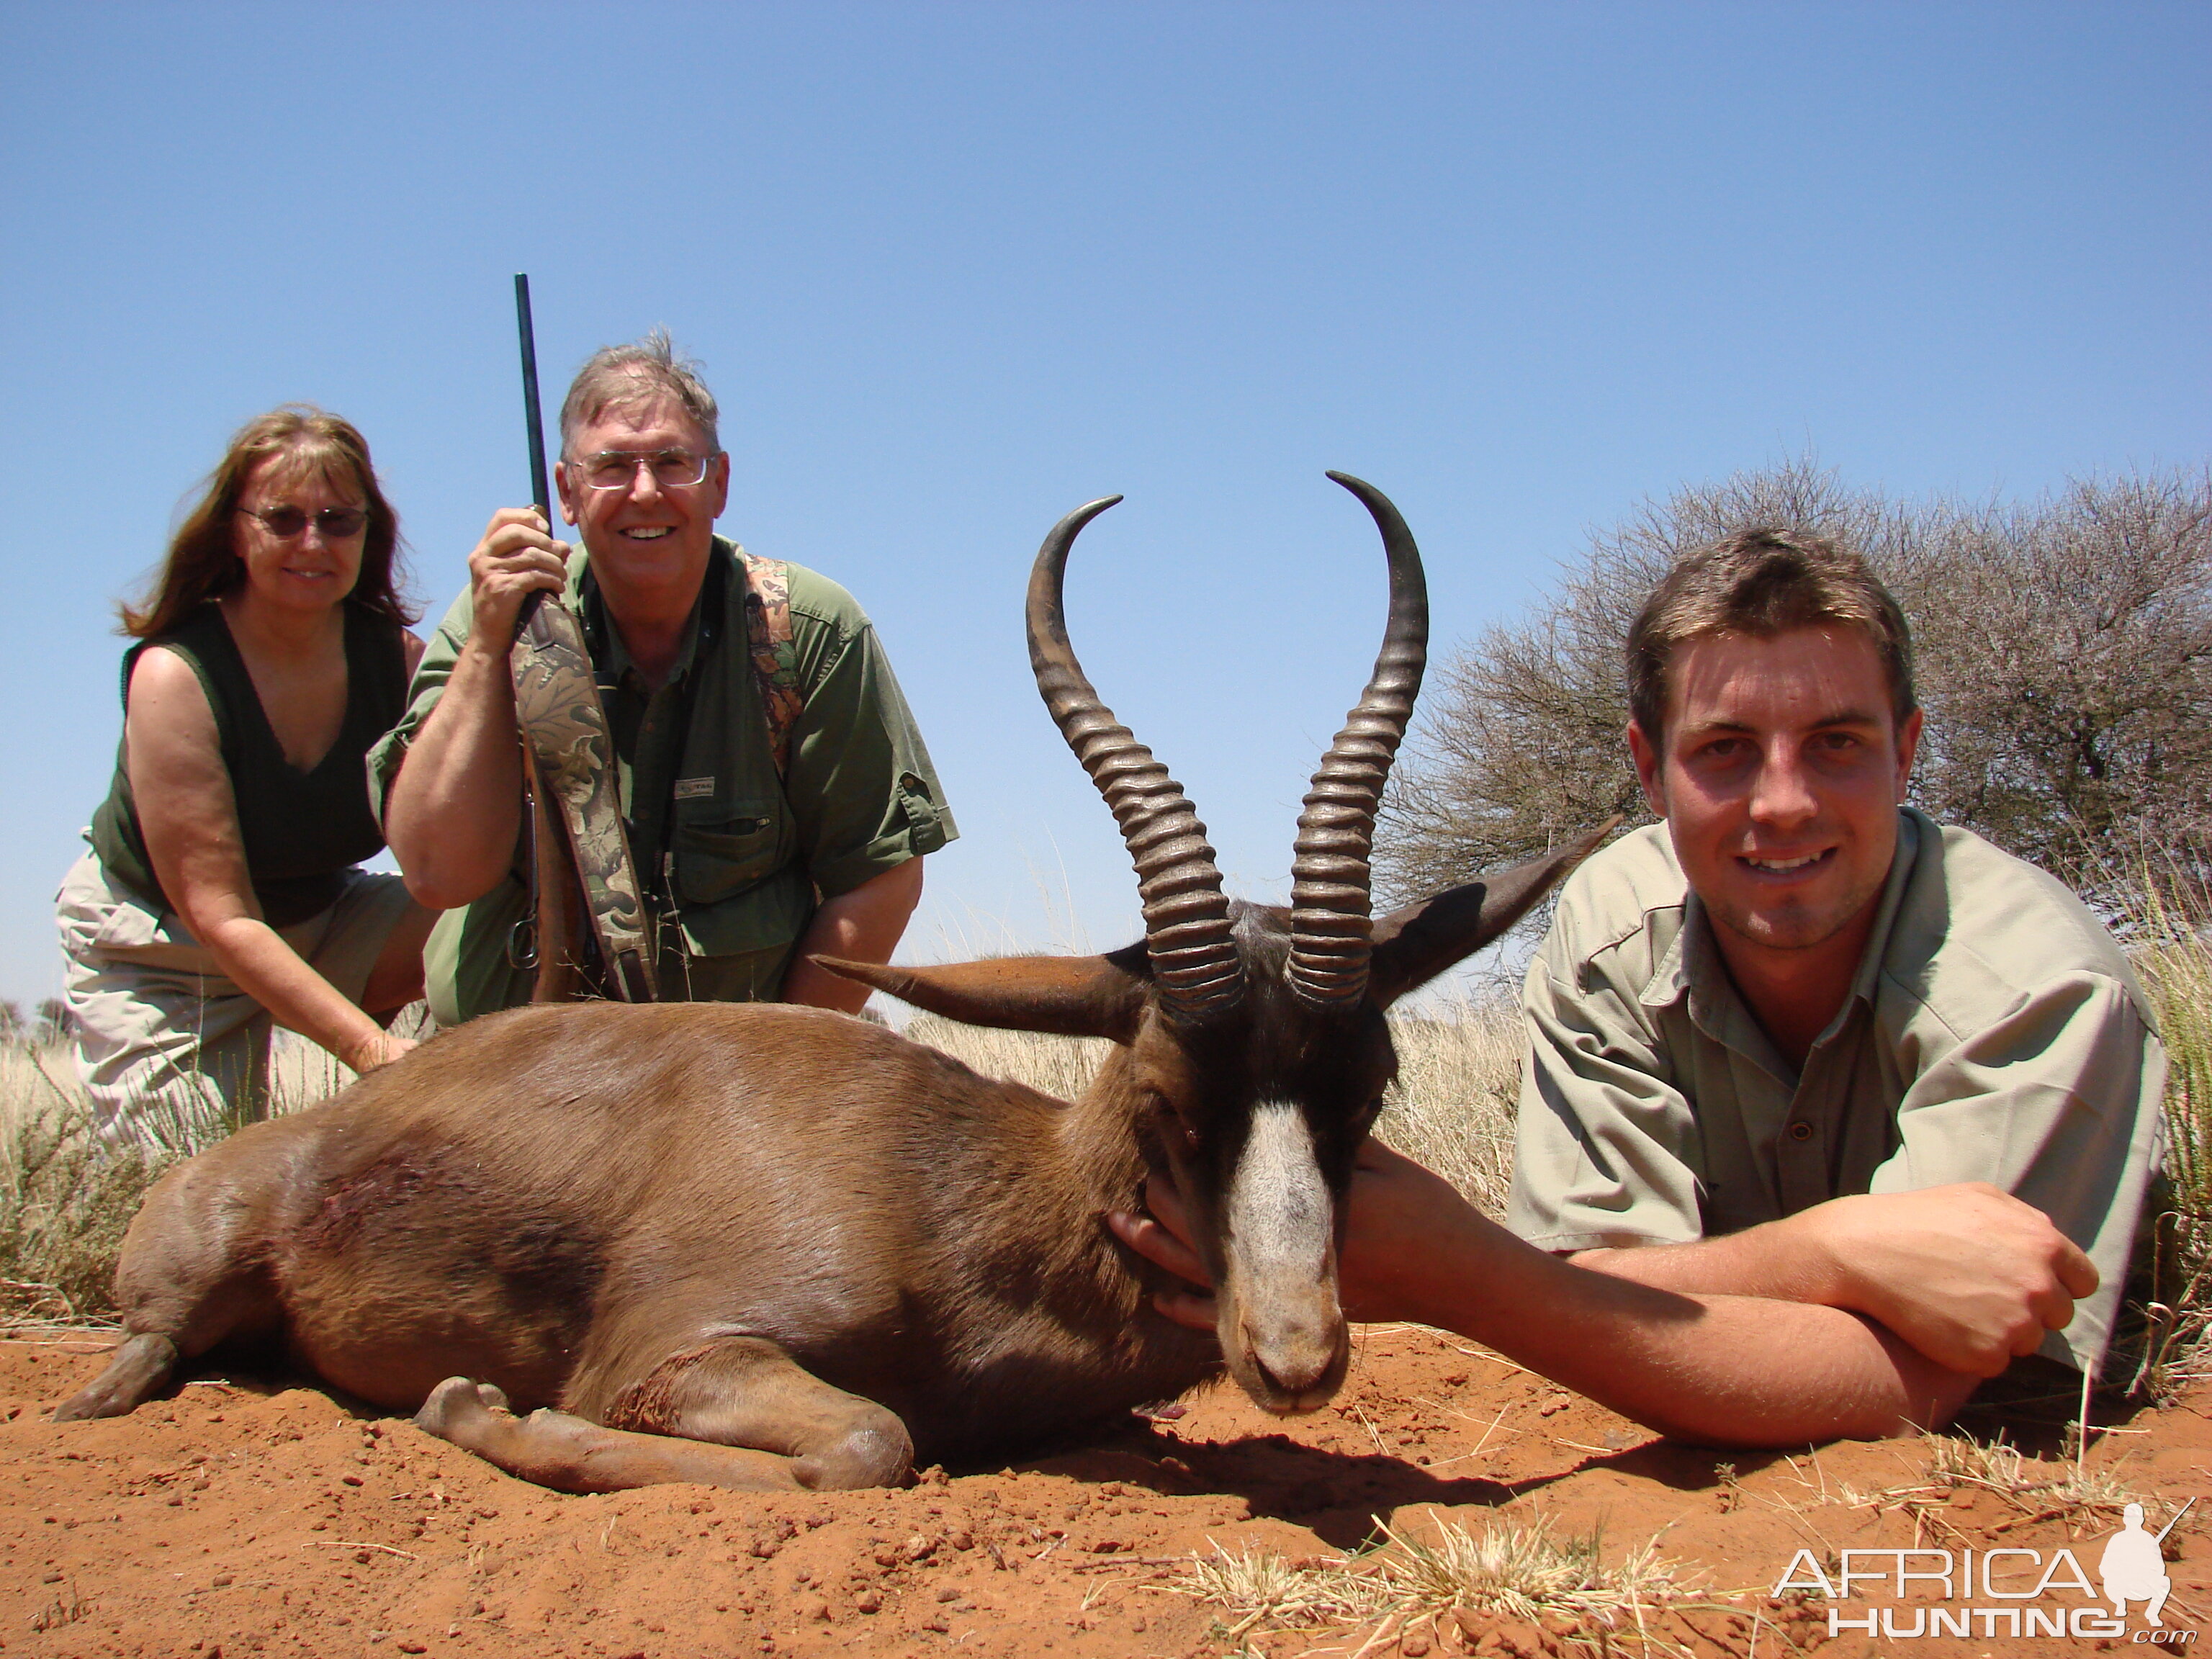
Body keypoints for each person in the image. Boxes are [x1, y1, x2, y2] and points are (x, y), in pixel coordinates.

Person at [1112, 528, 2164, 1447]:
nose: (1785, 803)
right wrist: (1837, 1258)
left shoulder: (2033, 981)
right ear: (1650, 770)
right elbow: (1593, 1280)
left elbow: (1915, 1378)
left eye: (1839, 744)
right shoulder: (1617, 922)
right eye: (1726, 751)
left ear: (1910, 751)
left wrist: (1469, 1274)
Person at [375, 333, 953, 1023]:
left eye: (674, 462)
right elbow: (439, 874)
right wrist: (486, 653)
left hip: (723, 1091)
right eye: (612, 466)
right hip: (502, 1078)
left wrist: (767, 1080)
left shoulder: (807, 629)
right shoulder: (499, 614)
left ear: (719, 482)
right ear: (566, 490)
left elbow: (879, 881)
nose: (645, 493)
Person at [58, 409, 436, 1145]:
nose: (313, 542)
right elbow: (219, 914)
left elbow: (470, 835)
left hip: (321, 922)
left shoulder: (402, 662)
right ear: (234, 530)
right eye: (283, 519)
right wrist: (376, 1053)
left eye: (337, 520)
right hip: (168, 955)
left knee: (511, 906)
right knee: (188, 1192)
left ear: (369, 534)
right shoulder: (174, 675)